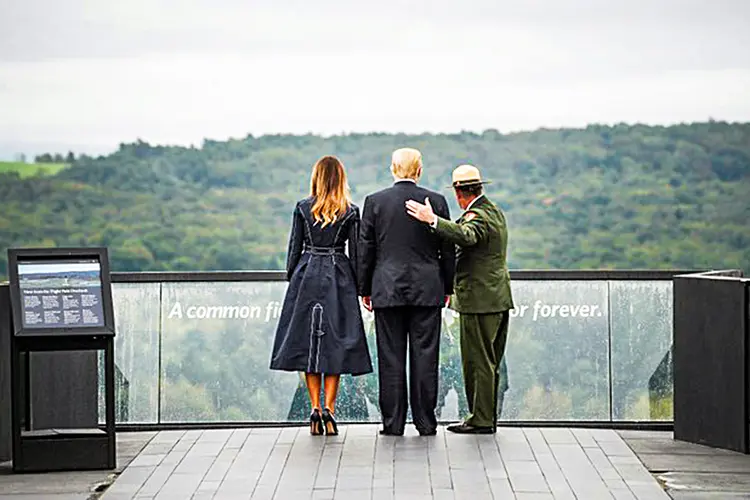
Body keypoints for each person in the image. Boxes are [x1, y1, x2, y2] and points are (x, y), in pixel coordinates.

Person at [406, 164, 513, 434]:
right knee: (490, 361)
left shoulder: (476, 216)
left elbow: (467, 236)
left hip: (479, 301)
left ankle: (481, 419)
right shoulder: (494, 211)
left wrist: (432, 220)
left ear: (457, 192)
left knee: (478, 362)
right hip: (497, 297)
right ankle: (486, 416)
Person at [270, 155, 372, 436]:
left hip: (307, 274)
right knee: (335, 343)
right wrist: (362, 287)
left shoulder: (302, 207)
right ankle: (330, 409)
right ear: (341, 179)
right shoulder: (350, 211)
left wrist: (295, 278)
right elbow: (358, 254)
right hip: (339, 275)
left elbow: (293, 249)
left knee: (308, 344)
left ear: (316, 177)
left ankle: (314, 409)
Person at [358, 147, 455, 436]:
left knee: (390, 358)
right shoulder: (436, 201)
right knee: (426, 357)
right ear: (419, 170)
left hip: (386, 289)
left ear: (392, 169)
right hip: (428, 289)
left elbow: (366, 249)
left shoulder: (374, 202)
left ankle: (393, 423)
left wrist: (364, 288)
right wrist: (447, 285)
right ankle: (426, 422)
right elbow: (447, 248)